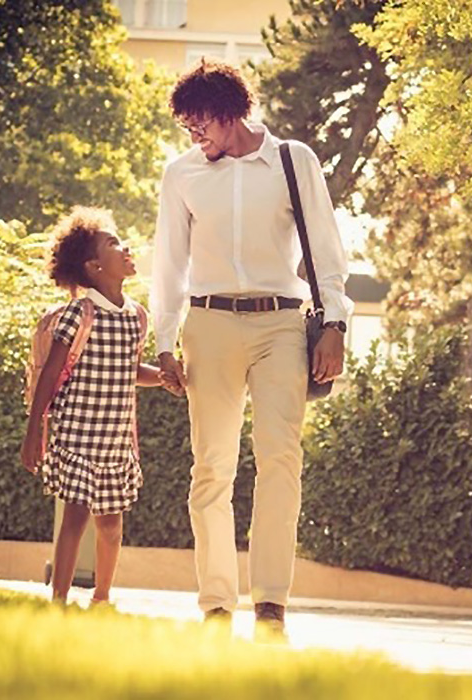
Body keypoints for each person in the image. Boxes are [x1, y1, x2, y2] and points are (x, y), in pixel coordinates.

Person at [150, 61, 353, 633]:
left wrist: (334, 324)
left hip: (282, 325)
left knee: (280, 461)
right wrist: (164, 341)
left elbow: (326, 251)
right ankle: (216, 604)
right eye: (188, 129)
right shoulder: (181, 174)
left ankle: (270, 605)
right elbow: (169, 262)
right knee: (211, 467)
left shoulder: (293, 160)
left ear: (230, 113)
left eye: (200, 126)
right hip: (209, 324)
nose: (195, 137)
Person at [21, 206, 163, 605]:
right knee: (76, 516)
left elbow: (130, 369)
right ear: (94, 265)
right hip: (78, 433)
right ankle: (59, 601)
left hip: (115, 440)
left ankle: (102, 598)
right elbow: (49, 376)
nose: (125, 247)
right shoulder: (77, 314)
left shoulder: (136, 317)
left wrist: (167, 377)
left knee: (112, 525)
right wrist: (35, 431)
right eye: (113, 243)